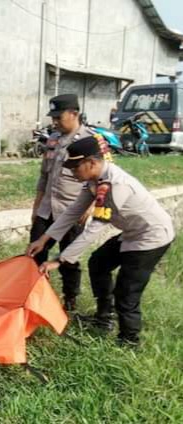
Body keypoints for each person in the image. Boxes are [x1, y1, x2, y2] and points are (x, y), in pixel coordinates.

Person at [27, 137, 175, 347]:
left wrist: (60, 260)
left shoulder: (115, 185)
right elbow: (73, 211)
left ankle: (129, 341)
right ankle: (104, 318)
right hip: (132, 232)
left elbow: (94, 229)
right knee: (98, 263)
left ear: (92, 163)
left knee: (127, 291)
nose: (72, 172)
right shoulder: (95, 180)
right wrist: (44, 238)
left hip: (151, 237)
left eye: (75, 167)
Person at [28, 94, 95, 311]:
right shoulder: (53, 139)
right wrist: (37, 206)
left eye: (59, 116)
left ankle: (70, 301)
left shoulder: (92, 139)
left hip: (73, 210)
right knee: (34, 252)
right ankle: (34, 294)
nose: (55, 121)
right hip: (47, 208)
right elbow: (44, 176)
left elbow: (101, 177)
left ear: (74, 114)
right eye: (53, 117)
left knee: (69, 258)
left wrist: (92, 206)